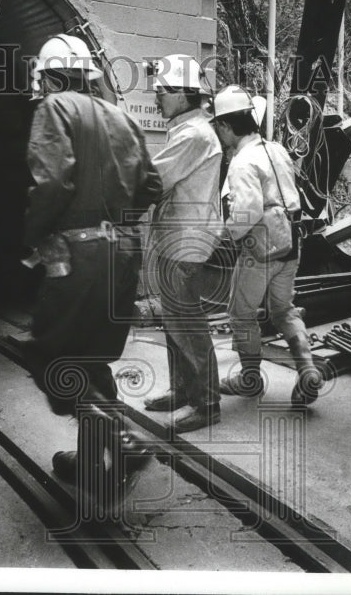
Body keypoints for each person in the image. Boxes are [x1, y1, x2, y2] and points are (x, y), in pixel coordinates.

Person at [21, 33, 162, 519]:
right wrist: (118, 221)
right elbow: (153, 185)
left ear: (52, 75)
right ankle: (94, 462)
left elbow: (51, 179)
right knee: (93, 358)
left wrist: (38, 235)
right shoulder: (120, 115)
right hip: (124, 250)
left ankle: (121, 436)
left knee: (47, 353)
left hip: (79, 249)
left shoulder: (55, 108)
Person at [211, 85, 324, 408]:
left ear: (226, 126)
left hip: (259, 250)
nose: (219, 134)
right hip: (290, 243)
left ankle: (250, 380)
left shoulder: (242, 162)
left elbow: (246, 211)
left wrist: (221, 233)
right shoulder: (276, 150)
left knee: (241, 314)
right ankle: (307, 371)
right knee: (283, 310)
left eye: (219, 127)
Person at [142, 54, 224, 433]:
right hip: (176, 237)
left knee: (188, 323)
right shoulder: (185, 129)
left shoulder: (193, 134)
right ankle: (182, 390)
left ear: (182, 93)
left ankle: (207, 403)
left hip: (186, 241)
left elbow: (154, 180)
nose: (156, 96)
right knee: (174, 319)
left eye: (161, 91)